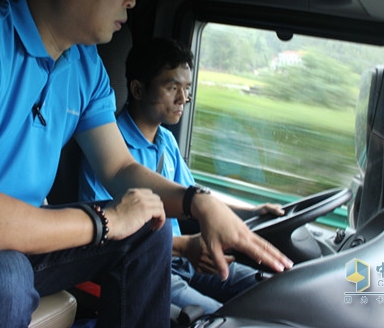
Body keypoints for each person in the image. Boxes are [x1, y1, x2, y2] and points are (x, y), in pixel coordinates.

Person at [0, 0, 293, 327]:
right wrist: (104, 220)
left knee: (149, 223)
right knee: (2, 275)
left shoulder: (84, 65)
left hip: (15, 238)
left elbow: (120, 170)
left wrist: (198, 201)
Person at [80, 37, 285, 314]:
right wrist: (186, 247)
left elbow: (194, 195)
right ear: (138, 89)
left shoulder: (166, 141)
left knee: (276, 290)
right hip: (146, 266)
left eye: (187, 89)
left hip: (185, 260)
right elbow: (107, 234)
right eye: (172, 87)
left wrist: (252, 210)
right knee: (228, 317)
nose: (183, 99)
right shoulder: (107, 148)